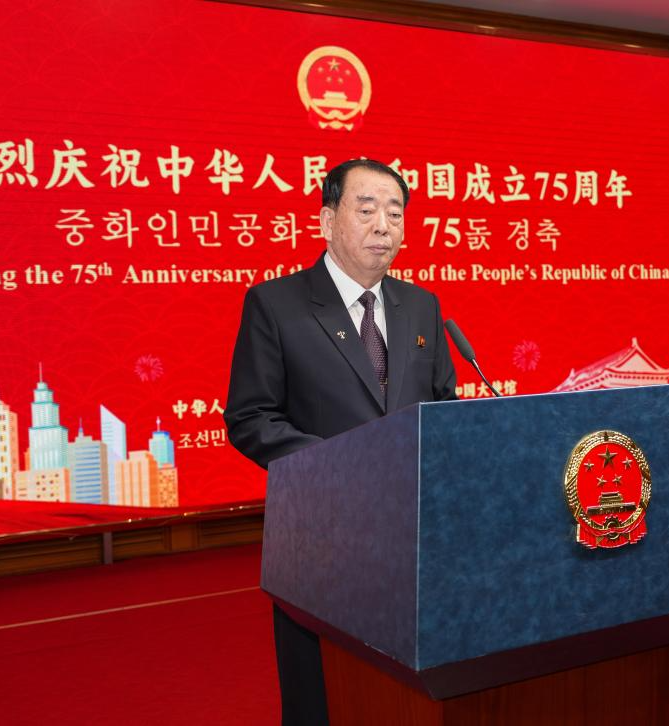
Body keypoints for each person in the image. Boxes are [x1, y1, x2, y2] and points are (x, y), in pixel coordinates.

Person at [224, 158, 457, 724]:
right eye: (367, 209)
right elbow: (251, 417)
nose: (384, 225)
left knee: (404, 693)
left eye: (395, 213)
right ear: (327, 221)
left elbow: (443, 407)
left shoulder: (421, 305)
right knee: (323, 698)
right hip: (321, 535)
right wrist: (341, 466)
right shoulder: (275, 304)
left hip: (412, 537)